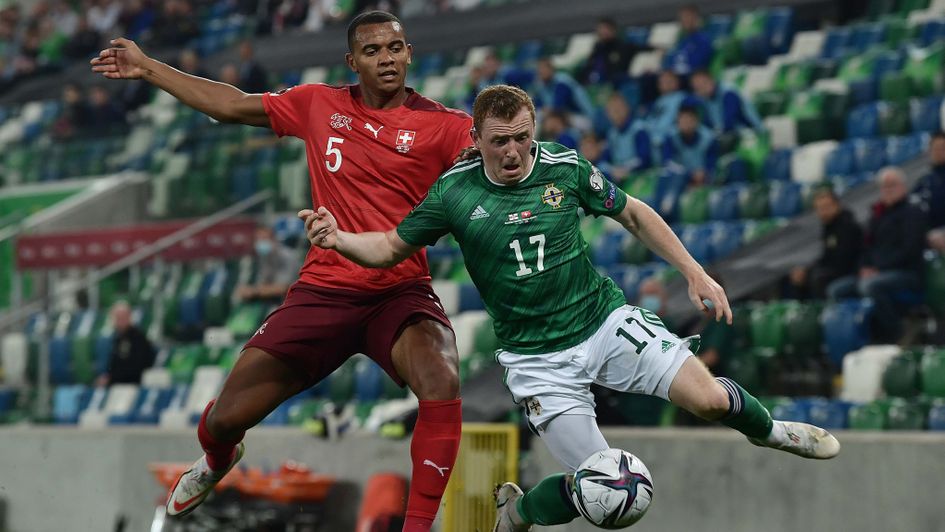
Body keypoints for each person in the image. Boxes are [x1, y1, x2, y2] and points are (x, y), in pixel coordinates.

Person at [300, 84, 840, 532]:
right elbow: (392, 246)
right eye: (499, 142)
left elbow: (634, 213)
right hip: (537, 361)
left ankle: (771, 432)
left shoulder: (565, 168)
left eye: (522, 138)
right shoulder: (453, 194)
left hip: (601, 323)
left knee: (710, 401)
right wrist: (339, 239)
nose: (513, 151)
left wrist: (693, 270)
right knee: (604, 488)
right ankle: (519, 512)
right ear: (476, 139)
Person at [92, 12, 471, 530]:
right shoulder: (319, 104)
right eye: (373, 50)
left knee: (442, 377)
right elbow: (229, 104)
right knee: (224, 419)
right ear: (352, 61)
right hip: (324, 291)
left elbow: (502, 156)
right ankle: (217, 462)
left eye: (396, 47)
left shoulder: (444, 126)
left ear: (409, 54)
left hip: (399, 290)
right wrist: (149, 67)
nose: (386, 58)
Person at [828, 167, 927, 343]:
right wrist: (864, 268)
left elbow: (909, 250)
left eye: (892, 185)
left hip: (906, 273)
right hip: (875, 272)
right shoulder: (877, 215)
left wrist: (878, 269)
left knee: (869, 286)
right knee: (836, 290)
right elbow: (866, 248)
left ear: (903, 187)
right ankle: (855, 338)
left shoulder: (913, 213)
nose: (888, 189)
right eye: (884, 186)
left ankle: (897, 331)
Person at [789, 188, 862, 299]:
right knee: (797, 276)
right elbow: (826, 256)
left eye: (827, 207)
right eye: (820, 208)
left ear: (837, 206)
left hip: (851, 272)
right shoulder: (829, 227)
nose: (824, 212)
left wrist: (810, 271)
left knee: (818, 278)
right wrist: (806, 270)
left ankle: (824, 311)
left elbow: (841, 262)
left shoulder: (847, 226)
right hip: (835, 271)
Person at [96, 301, 156, 387]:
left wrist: (111, 378)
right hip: (116, 384)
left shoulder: (138, 338)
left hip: (132, 385)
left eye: (122, 317)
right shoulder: (116, 338)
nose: (119, 321)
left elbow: (138, 366)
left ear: (129, 317)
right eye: (117, 318)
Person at [235, 225, 299, 304]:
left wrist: (253, 291)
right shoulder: (263, 256)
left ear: (274, 239)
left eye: (264, 239)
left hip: (289, 301)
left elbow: (283, 288)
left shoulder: (287, 256)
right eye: (258, 239)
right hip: (269, 301)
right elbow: (263, 282)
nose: (260, 242)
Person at [690, 69, 763, 136]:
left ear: (712, 79)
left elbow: (729, 122)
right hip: (729, 136)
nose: (702, 88)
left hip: (751, 133)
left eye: (704, 83)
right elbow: (707, 124)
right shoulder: (705, 100)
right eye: (698, 87)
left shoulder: (728, 93)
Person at [578, 16, 647, 86]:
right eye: (600, 29)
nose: (602, 32)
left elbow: (643, 48)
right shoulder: (597, 48)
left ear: (613, 30)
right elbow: (587, 69)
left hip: (613, 85)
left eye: (605, 29)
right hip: (591, 85)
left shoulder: (623, 46)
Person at [661, 104, 719, 186]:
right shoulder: (671, 137)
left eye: (689, 120)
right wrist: (689, 174)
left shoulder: (709, 139)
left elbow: (712, 164)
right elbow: (667, 162)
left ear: (696, 121)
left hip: (704, 180)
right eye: (682, 120)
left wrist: (704, 173)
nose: (685, 124)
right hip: (679, 180)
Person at [604, 92, 655, 174]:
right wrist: (613, 170)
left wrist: (625, 169)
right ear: (607, 114)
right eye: (612, 110)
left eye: (619, 108)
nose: (616, 113)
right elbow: (603, 161)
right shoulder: (611, 134)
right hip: (619, 177)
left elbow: (644, 159)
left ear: (627, 108)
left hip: (641, 176)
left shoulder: (639, 129)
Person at [531, 57, 595, 119]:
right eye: (539, 68)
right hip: (567, 117)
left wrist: (544, 109)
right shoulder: (542, 84)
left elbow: (557, 108)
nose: (541, 71)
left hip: (583, 117)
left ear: (551, 69)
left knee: (550, 120)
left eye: (543, 68)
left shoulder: (562, 82)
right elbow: (537, 103)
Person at [912, 131, 945, 252]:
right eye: (935, 148)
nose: (938, 152)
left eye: (942, 148)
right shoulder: (924, 182)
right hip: (929, 235)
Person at [666, 4, 713, 77]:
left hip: (691, 77)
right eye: (682, 18)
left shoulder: (703, 40)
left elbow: (697, 65)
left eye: (688, 16)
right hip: (677, 76)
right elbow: (671, 60)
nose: (685, 20)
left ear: (696, 18)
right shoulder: (682, 41)